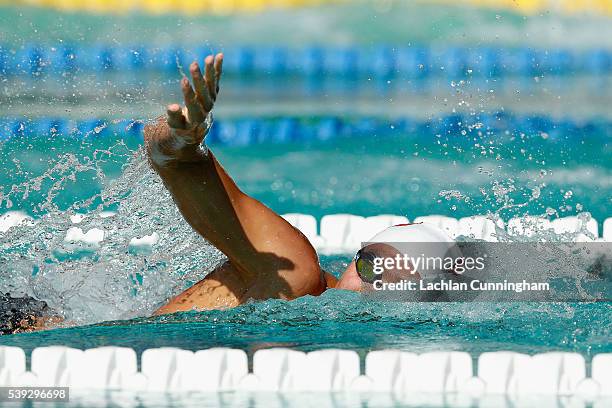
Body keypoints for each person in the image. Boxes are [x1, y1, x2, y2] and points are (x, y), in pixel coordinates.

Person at [146, 53, 432, 315]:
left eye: (395, 285)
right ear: (358, 255)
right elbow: (173, 161)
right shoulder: (295, 272)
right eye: (370, 266)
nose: (367, 288)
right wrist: (181, 138)